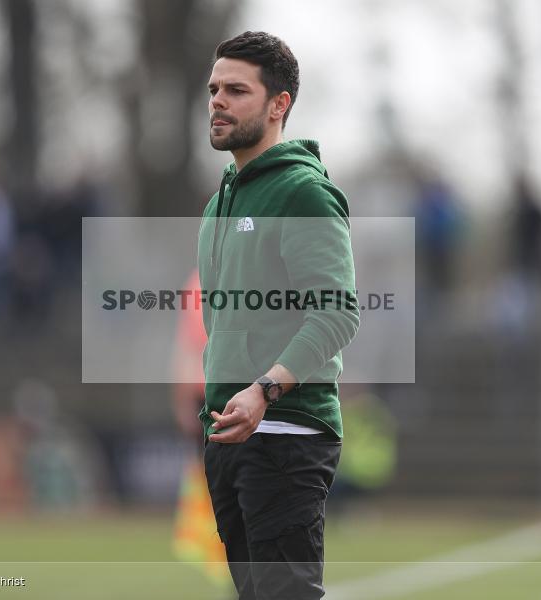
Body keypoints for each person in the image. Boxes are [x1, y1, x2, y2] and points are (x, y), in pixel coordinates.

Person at [198, 31, 359, 600]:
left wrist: (264, 389)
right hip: (229, 436)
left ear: (278, 104)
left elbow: (337, 313)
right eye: (214, 89)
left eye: (236, 90)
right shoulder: (218, 204)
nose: (218, 101)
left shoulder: (303, 192)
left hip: (286, 433)